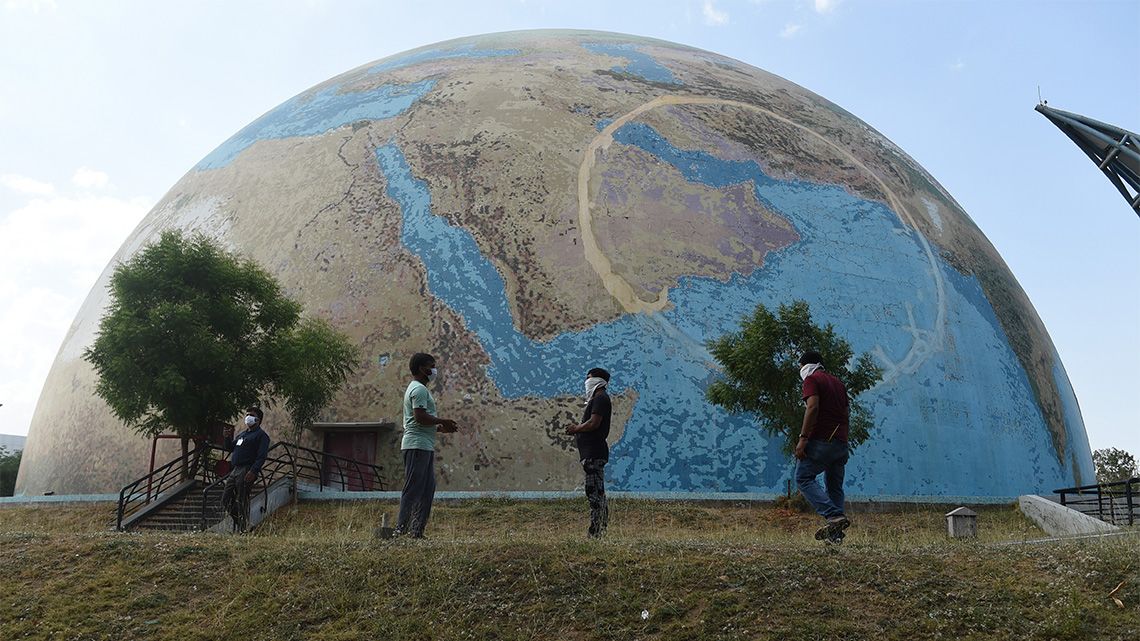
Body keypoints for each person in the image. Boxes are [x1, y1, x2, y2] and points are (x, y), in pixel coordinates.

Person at [395, 352, 459, 539]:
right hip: (416, 446)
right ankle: (401, 530)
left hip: (424, 444)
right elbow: (419, 417)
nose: (434, 370)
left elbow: (419, 421)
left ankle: (416, 532)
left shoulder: (419, 389)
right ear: (422, 368)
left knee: (426, 489)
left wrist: (438, 428)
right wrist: (443, 420)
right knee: (413, 488)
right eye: (431, 366)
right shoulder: (419, 389)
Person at [793, 351, 852, 543]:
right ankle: (835, 536)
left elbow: (813, 407)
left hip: (821, 440)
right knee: (834, 486)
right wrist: (844, 439)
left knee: (803, 477)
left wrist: (803, 438)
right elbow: (846, 413)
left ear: (806, 364)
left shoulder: (812, 380)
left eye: (800, 366)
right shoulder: (839, 384)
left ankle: (833, 515)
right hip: (841, 442)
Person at [565, 367, 612, 539]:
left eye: (589, 378)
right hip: (591, 454)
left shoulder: (600, 399)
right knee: (596, 491)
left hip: (594, 454)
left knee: (594, 492)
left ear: (599, 380)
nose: (587, 382)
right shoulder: (597, 399)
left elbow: (593, 423)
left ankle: (596, 532)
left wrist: (576, 428)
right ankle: (599, 529)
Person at [221, 406, 271, 532]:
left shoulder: (261, 436)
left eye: (251, 415)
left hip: (246, 469)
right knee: (225, 499)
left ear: (257, 419)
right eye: (246, 414)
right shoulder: (242, 434)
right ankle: (245, 524)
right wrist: (227, 437)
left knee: (242, 499)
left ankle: (244, 529)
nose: (247, 417)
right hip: (235, 469)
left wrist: (253, 471)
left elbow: (261, 456)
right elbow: (230, 448)